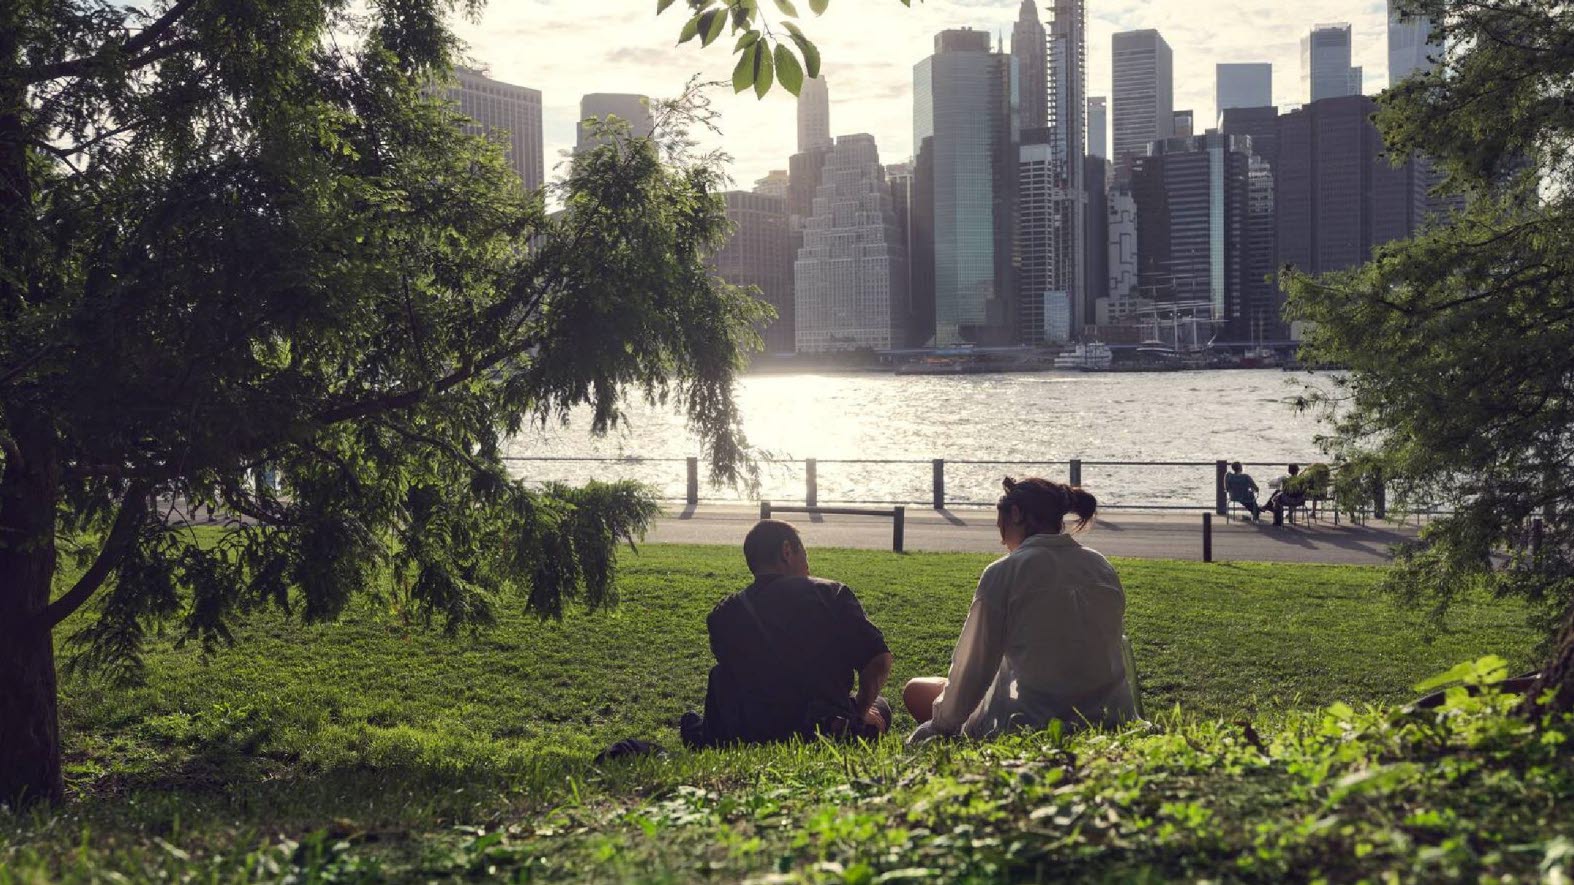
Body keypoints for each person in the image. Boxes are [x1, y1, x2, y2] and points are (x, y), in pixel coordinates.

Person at [903, 477, 1136, 744]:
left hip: (1030, 720)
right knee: (926, 690)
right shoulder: (1101, 567)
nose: (1002, 542)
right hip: (1111, 716)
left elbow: (974, 669)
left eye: (1001, 528)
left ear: (1016, 514)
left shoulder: (1006, 572)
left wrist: (940, 726)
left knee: (917, 691)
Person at [681, 520, 894, 748]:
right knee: (881, 706)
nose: (808, 566)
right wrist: (860, 712)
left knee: (691, 722)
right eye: (805, 554)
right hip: (819, 727)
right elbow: (879, 660)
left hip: (751, 729)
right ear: (787, 551)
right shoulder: (830, 594)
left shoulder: (723, 614)